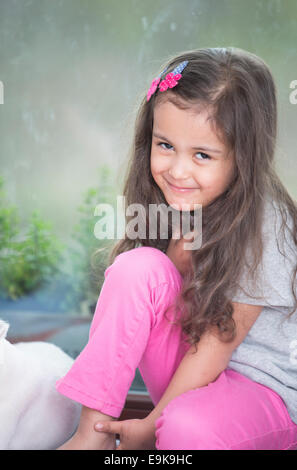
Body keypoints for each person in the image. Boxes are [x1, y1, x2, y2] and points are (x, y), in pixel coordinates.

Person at [55, 47, 297, 450]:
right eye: (165, 145)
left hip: (265, 393)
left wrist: (152, 423)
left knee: (185, 427)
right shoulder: (185, 205)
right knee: (137, 269)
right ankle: (91, 437)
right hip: (194, 371)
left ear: (245, 158)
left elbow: (217, 344)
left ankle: (166, 425)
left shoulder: (267, 224)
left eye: (202, 154)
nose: (178, 170)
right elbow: (165, 306)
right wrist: (180, 251)